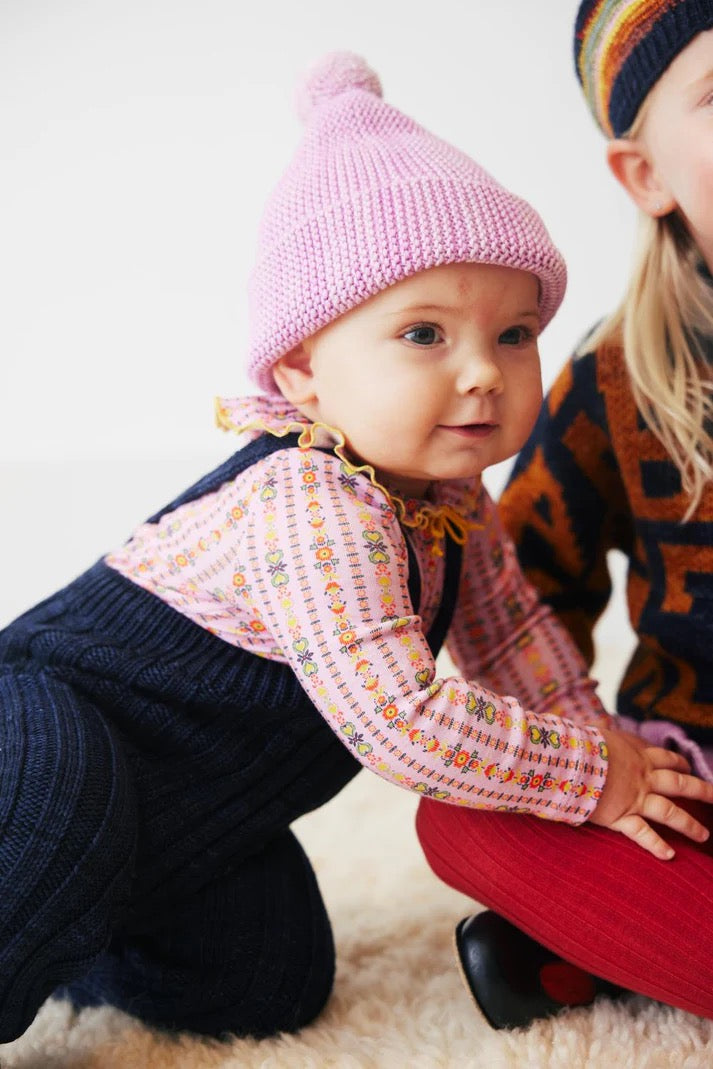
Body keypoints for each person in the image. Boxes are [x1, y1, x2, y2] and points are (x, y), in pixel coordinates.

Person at [2, 48, 711, 1047]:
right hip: (46, 715)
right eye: (424, 335)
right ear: (300, 373)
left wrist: (601, 748)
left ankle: (85, 925)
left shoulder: (449, 496)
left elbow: (515, 646)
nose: (481, 372)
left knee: (271, 979)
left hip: (189, 809)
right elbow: (401, 723)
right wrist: (582, 776)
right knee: (49, 823)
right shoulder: (311, 499)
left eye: (513, 334)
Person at [416, 0, 713, 1033]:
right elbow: (525, 596)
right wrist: (583, 777)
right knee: (466, 812)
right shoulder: (612, 378)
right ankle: (623, 925)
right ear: (646, 177)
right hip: (694, 771)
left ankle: (591, 950)